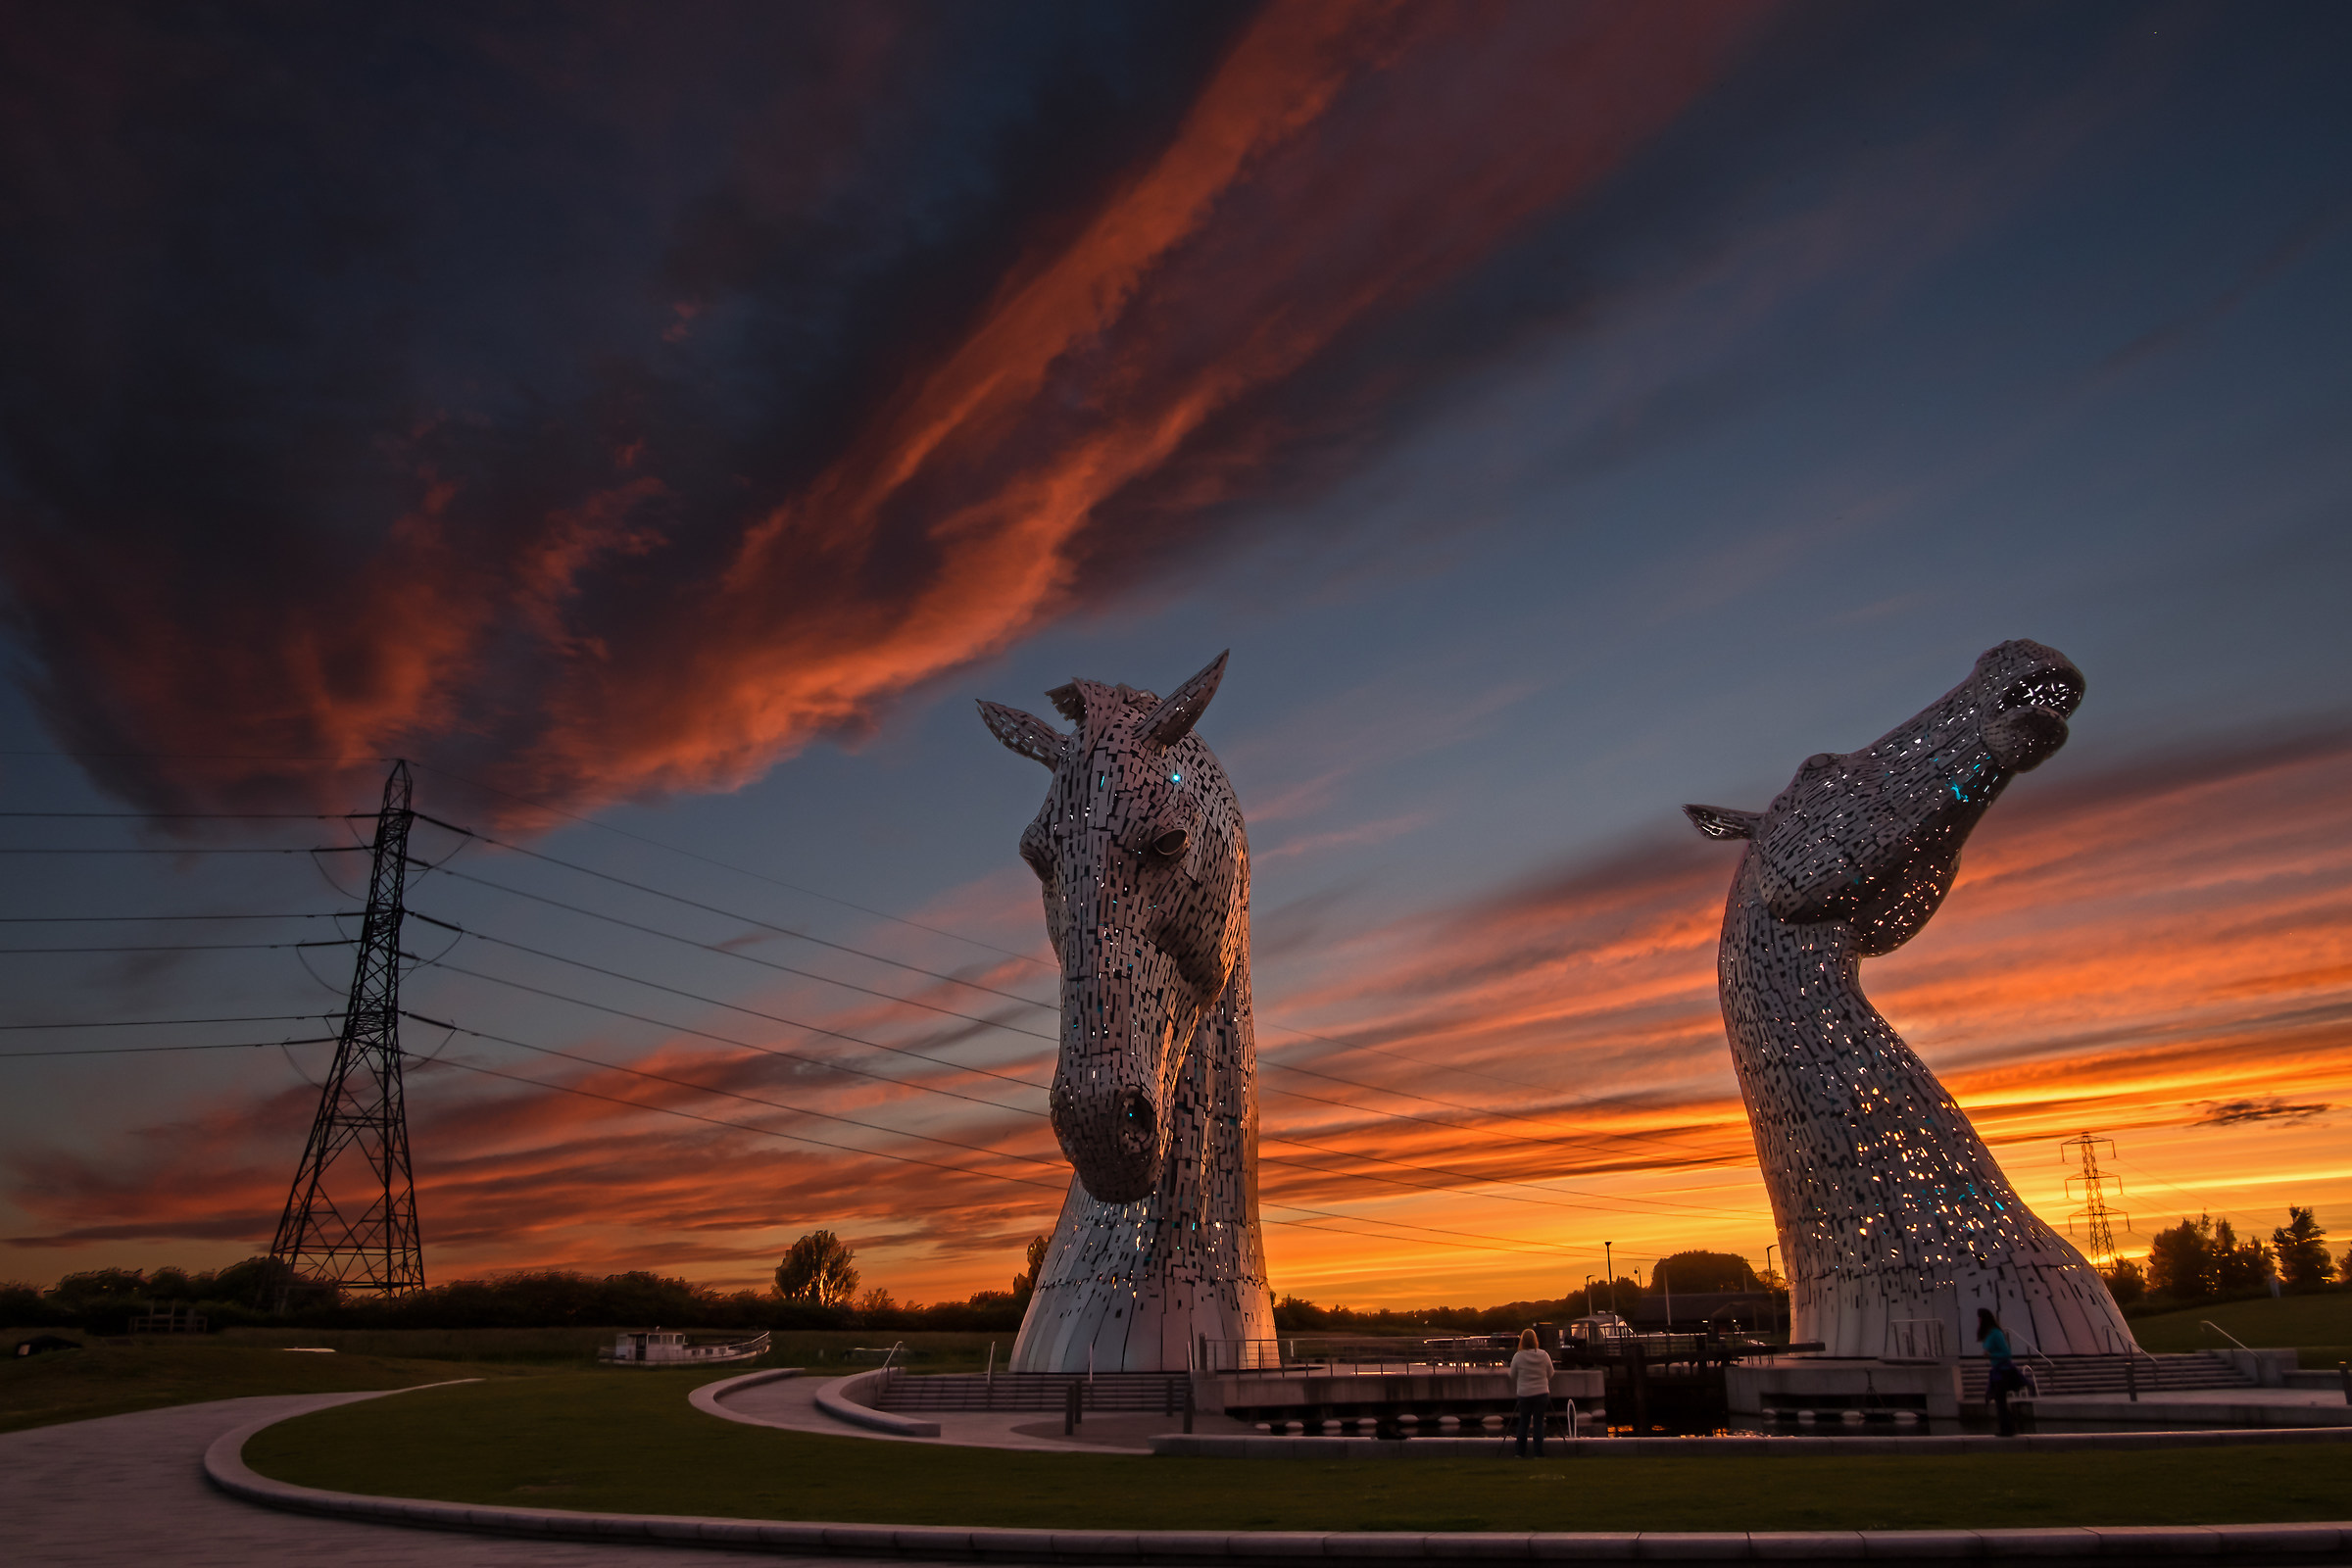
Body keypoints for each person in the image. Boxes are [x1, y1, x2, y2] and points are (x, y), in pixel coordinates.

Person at [1508, 1327, 1555, 1456]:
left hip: (1524, 1393)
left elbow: (1512, 1375)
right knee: (1538, 1424)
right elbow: (1551, 1373)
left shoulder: (1518, 1356)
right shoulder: (1544, 1355)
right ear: (1535, 1340)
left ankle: (1520, 1452)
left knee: (1524, 1422)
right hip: (1541, 1393)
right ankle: (1538, 1453)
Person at [1977, 1307, 2021, 1436]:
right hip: (1997, 1371)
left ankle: (2007, 1429)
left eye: (1979, 1317)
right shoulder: (1990, 1333)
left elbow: (2006, 1353)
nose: (1978, 1320)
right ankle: (2008, 1427)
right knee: (1999, 1400)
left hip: (2003, 1371)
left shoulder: (1996, 1333)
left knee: (2000, 1400)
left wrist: (1991, 1356)